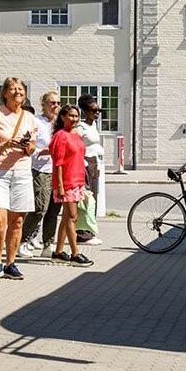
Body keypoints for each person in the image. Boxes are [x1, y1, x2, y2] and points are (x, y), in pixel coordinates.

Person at [0, 78, 38, 281]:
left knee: (17, 221)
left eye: (20, 89)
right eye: (12, 89)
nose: (17, 92)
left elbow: (33, 146)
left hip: (22, 172)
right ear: (4, 93)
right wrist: (2, 145)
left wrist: (28, 147)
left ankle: (11, 263)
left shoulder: (29, 117)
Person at [49, 105, 93, 267]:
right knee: (72, 217)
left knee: (67, 217)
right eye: (71, 116)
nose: (74, 119)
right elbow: (58, 163)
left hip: (77, 180)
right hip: (66, 182)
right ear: (62, 117)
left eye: (76, 116)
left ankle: (58, 252)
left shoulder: (75, 134)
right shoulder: (60, 135)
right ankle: (75, 253)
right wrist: (60, 186)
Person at [21, 91, 60, 259]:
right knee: (39, 208)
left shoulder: (59, 124)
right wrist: (45, 151)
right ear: (43, 104)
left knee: (53, 210)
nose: (55, 106)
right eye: (52, 103)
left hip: (57, 170)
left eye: (58, 103)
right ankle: (21, 241)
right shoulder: (36, 122)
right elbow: (29, 146)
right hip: (40, 169)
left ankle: (48, 244)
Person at [75, 94, 103, 246]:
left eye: (99, 110)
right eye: (93, 110)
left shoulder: (93, 125)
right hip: (84, 164)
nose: (97, 113)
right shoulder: (81, 127)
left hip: (93, 163)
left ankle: (89, 232)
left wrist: (97, 165)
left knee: (93, 200)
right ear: (85, 112)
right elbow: (76, 147)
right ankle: (83, 234)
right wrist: (84, 164)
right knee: (86, 200)